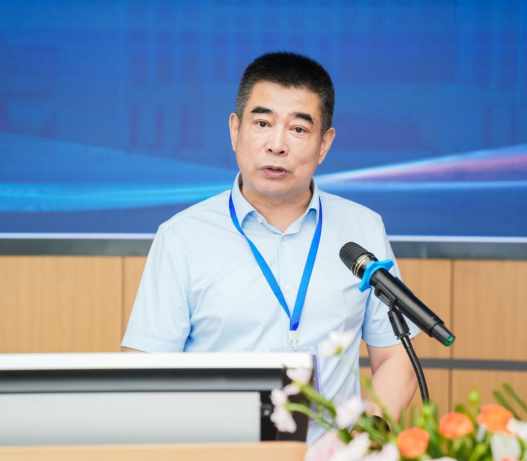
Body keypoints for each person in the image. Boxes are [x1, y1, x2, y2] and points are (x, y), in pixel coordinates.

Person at [122, 51, 419, 442]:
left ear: (324, 143)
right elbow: (144, 370)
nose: (277, 145)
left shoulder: (362, 228)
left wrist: (361, 441)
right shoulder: (182, 237)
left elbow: (395, 356)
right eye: (262, 123)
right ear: (235, 130)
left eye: (298, 129)